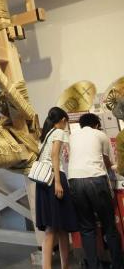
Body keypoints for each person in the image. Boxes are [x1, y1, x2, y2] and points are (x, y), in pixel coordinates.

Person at [68, 112, 123, 269]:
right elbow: (107, 161)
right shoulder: (100, 135)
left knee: (86, 228)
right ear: (97, 124)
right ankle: (117, 264)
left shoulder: (73, 136)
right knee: (109, 225)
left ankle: (93, 266)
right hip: (95, 180)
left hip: (74, 181)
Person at [36, 106, 78, 269]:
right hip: (54, 178)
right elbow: (55, 155)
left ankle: (57, 266)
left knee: (54, 228)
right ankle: (63, 266)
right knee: (58, 228)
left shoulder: (45, 135)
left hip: (43, 181)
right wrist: (58, 182)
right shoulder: (59, 132)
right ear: (63, 120)